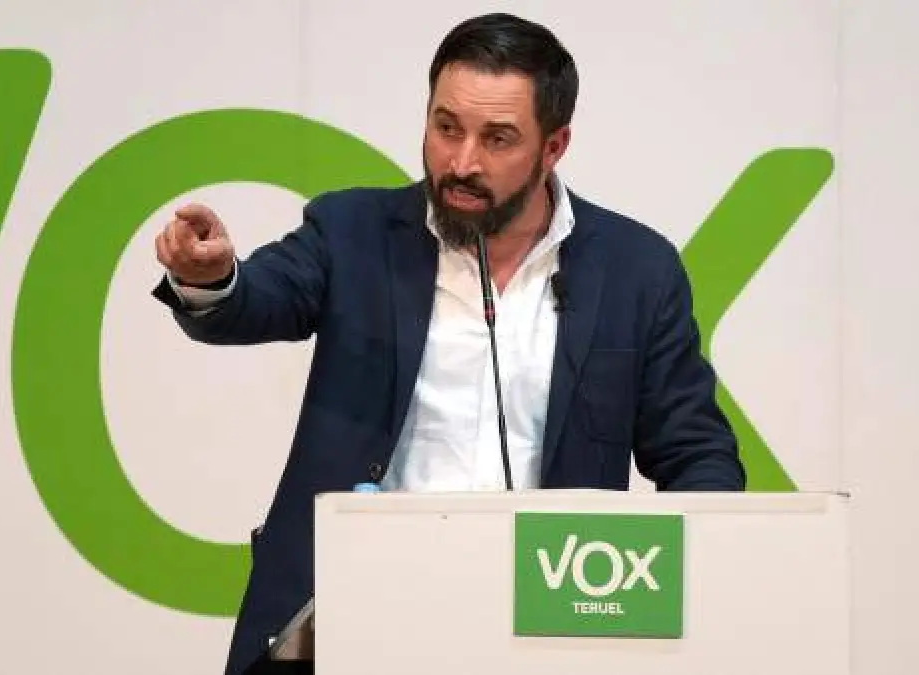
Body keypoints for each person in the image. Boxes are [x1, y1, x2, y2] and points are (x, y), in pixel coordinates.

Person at [152, 12, 745, 675]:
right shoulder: (353, 232)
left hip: (545, 630)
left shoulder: (636, 269)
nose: (462, 163)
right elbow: (255, 299)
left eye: (498, 139)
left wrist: (707, 584)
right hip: (353, 621)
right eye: (446, 128)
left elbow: (696, 453)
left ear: (554, 146)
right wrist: (211, 278)